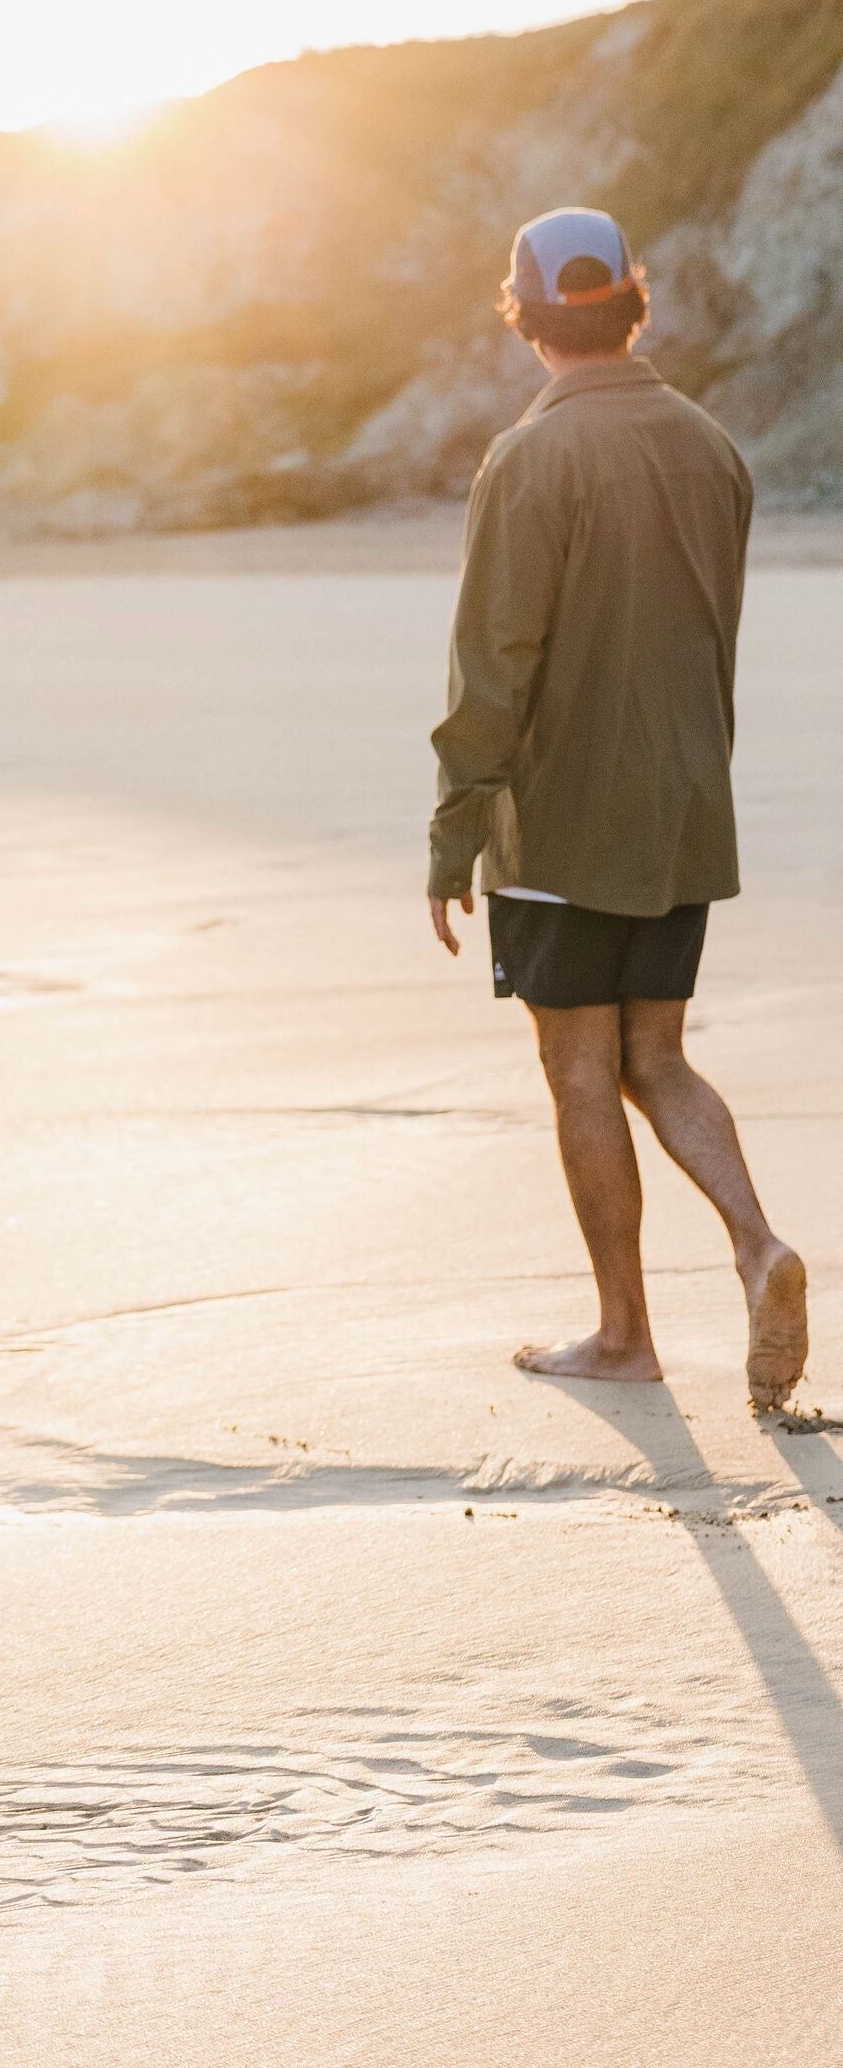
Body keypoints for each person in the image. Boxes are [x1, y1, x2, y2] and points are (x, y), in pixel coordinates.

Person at [427, 205, 806, 1409]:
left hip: (561, 823)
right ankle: (755, 1245)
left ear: (526, 317)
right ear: (629, 302)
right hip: (686, 808)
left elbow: (494, 664)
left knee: (582, 1070)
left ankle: (623, 1333)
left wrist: (452, 832)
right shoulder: (712, 448)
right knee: (659, 1056)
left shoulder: (528, 458)